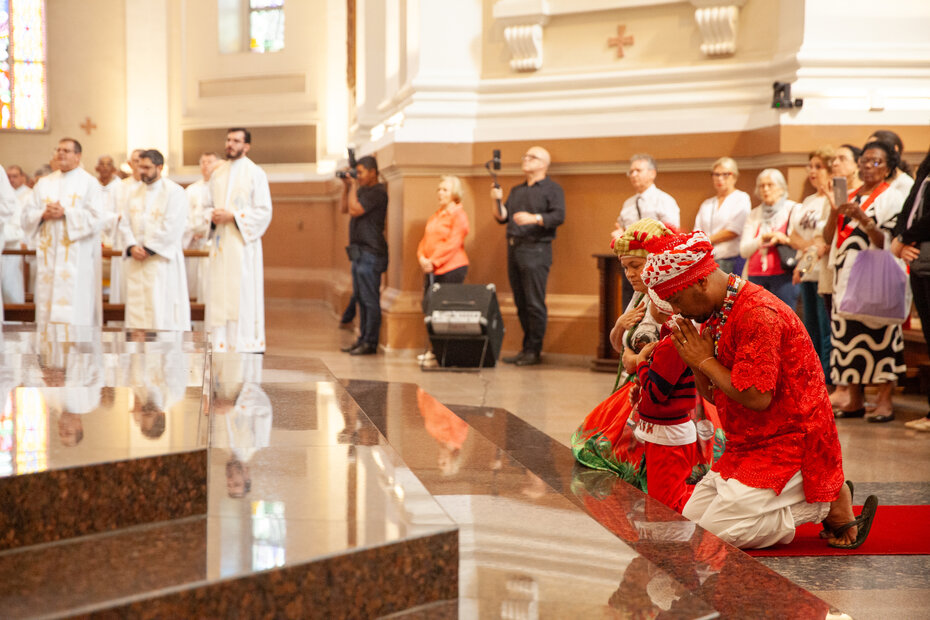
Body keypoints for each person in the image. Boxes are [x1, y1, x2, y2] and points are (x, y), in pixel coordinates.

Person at [640, 231, 878, 550]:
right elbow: (716, 396)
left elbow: (756, 397)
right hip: (746, 445)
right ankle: (807, 497)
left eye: (676, 300)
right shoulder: (716, 313)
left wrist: (704, 360)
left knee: (714, 536)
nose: (677, 311)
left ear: (699, 282)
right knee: (690, 525)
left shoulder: (757, 314)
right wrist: (695, 360)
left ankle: (824, 499)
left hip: (792, 443)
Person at [825, 140, 906, 423]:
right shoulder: (851, 194)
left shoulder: (891, 197)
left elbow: (889, 241)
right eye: (864, 161)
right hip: (845, 275)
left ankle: (884, 401)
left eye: (876, 162)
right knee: (847, 337)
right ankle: (854, 399)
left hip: (876, 275)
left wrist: (863, 219)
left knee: (881, 335)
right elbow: (831, 239)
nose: (868, 167)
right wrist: (834, 211)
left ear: (888, 167)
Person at [490, 146, 566, 366]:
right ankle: (526, 349)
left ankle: (534, 350)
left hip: (536, 249)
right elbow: (503, 217)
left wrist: (534, 218)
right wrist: (496, 200)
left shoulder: (552, 189)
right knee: (520, 301)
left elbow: (559, 215)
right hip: (514, 248)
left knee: (534, 302)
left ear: (544, 163)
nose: (526, 160)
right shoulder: (516, 190)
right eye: (525, 156)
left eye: (532, 157)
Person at [205, 128, 273, 353]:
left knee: (241, 292)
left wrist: (234, 216)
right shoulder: (218, 173)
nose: (230, 144)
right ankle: (218, 342)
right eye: (228, 140)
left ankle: (242, 342)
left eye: (236, 141)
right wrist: (212, 217)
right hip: (220, 245)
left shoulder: (255, 173)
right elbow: (206, 206)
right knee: (218, 291)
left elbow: (264, 211)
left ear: (247, 146)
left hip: (242, 247)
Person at [23, 138, 104, 326]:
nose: (60, 154)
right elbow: (26, 215)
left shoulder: (89, 183)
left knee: (76, 304)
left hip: (78, 255)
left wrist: (66, 213)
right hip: (49, 256)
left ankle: (76, 351)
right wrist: (43, 213)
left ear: (78, 156)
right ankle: (47, 351)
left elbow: (97, 218)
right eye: (58, 150)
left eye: (66, 150)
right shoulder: (44, 183)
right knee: (47, 302)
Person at [117, 149, 191, 331]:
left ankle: (162, 354)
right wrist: (132, 246)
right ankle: (137, 355)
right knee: (137, 310)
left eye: (147, 167)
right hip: (137, 260)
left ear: (160, 167)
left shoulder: (174, 192)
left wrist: (149, 249)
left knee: (160, 308)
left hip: (160, 261)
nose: (141, 171)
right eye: (139, 167)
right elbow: (124, 222)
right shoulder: (133, 192)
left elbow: (173, 225)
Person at [892, 145, 930, 431]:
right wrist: (901, 237)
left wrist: (906, 237)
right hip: (919, 260)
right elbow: (910, 209)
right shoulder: (925, 171)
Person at [789, 146, 835, 383]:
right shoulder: (807, 200)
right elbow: (794, 237)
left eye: (819, 166)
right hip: (806, 270)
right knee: (810, 329)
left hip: (821, 271)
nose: (813, 171)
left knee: (825, 329)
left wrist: (812, 247)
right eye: (811, 166)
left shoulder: (833, 198)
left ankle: (826, 379)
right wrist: (808, 250)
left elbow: (824, 242)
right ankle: (813, 378)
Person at [614, 154, 681, 310]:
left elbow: (671, 234)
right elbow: (622, 227)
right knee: (631, 307)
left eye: (638, 170)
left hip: (653, 267)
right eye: (631, 171)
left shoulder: (664, 200)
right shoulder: (628, 203)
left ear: (652, 173)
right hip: (630, 264)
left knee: (653, 310)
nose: (633, 175)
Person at [415, 175, 470, 364]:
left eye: (445, 189)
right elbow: (425, 240)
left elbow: (453, 243)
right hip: (432, 269)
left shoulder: (459, 215)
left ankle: (445, 352)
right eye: (439, 189)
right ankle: (435, 349)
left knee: (445, 312)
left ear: (454, 193)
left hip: (451, 269)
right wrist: (422, 258)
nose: (440, 193)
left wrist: (434, 260)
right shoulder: (437, 215)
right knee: (430, 307)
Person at [340, 154, 388, 355]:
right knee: (360, 298)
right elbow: (344, 207)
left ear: (373, 172)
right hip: (360, 253)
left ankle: (370, 341)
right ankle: (362, 338)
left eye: (360, 173)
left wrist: (352, 187)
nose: (357, 176)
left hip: (371, 253)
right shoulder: (363, 191)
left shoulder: (377, 192)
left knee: (370, 299)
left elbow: (354, 209)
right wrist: (346, 186)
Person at [739, 169, 800, 310]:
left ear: (781, 188)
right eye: (761, 186)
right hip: (755, 276)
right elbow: (744, 250)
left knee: (784, 317)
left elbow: (801, 242)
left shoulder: (793, 209)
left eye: (770, 185)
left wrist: (782, 238)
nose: (765, 189)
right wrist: (762, 239)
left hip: (784, 275)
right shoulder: (754, 214)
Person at [692, 157, 751, 276]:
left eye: (725, 174)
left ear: (734, 176)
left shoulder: (741, 198)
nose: (720, 178)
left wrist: (707, 240)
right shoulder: (707, 203)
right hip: (706, 260)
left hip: (731, 259)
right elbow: (697, 231)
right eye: (716, 174)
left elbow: (734, 230)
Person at [184, 151, 218, 303]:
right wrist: (191, 232)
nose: (206, 165)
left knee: (210, 285)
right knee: (192, 283)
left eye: (210, 162)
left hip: (212, 243)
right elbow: (183, 216)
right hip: (192, 242)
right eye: (203, 162)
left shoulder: (221, 189)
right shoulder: (191, 190)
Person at [1, 165, 26, 304]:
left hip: (10, 251)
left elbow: (19, 228)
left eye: (14, 176)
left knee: (9, 290)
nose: (11, 180)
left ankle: (14, 324)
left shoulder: (11, 199)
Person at [867, 130, 914, 198]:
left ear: (895, 149)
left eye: (875, 148)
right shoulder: (868, 180)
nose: (869, 153)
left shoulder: (905, 183)